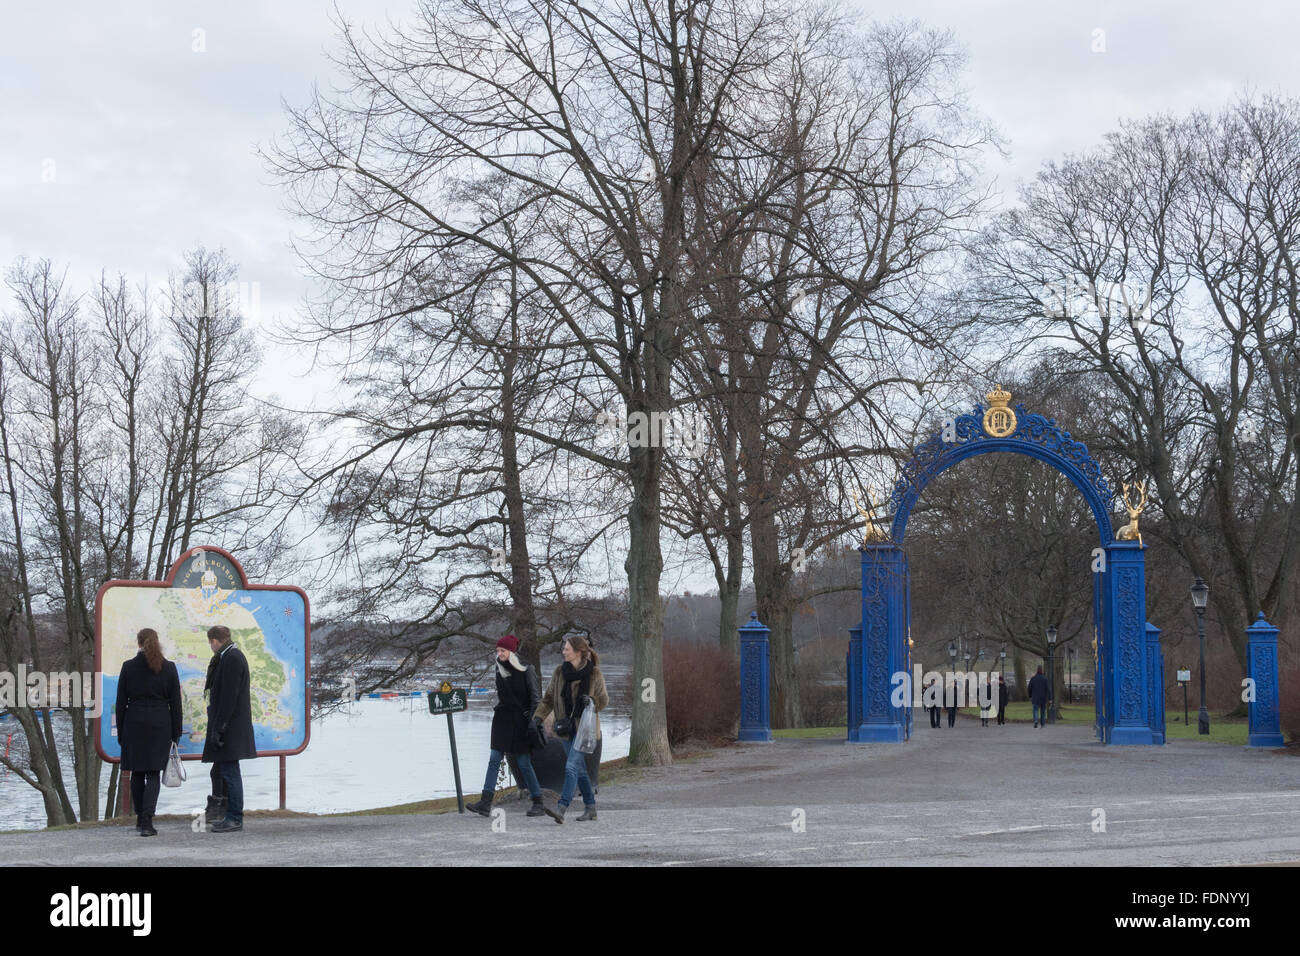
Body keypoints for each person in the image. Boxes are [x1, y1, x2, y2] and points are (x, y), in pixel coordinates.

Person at [466, 634, 554, 820]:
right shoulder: (499, 669)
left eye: (503, 650)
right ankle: (485, 802)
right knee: (494, 759)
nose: (499, 654)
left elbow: (535, 698)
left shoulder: (526, 669)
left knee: (523, 763)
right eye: (498, 651)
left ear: (511, 651)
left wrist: (533, 721)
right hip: (502, 720)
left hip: (522, 721)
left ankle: (538, 802)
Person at [115, 628, 182, 837]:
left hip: (134, 723)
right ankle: (147, 820)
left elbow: (120, 703)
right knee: (153, 773)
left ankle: (139, 817)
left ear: (139, 643)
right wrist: (176, 733)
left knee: (136, 771)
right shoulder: (169, 668)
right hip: (160, 724)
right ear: (156, 642)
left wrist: (121, 731)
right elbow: (176, 704)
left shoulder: (128, 667)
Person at [534, 634, 607, 823]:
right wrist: (538, 718)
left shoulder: (594, 674)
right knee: (580, 769)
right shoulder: (559, 672)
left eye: (566, 648)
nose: (563, 651)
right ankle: (590, 807)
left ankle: (561, 807)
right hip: (565, 729)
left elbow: (604, 699)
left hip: (585, 730)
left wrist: (592, 701)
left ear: (578, 652)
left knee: (571, 765)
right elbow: (549, 698)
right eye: (564, 648)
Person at [201, 625, 255, 832]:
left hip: (230, 727)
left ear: (215, 640)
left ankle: (234, 817)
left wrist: (220, 726)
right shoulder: (230, 656)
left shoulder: (232, 658)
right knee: (227, 770)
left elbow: (229, 696)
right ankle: (230, 816)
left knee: (231, 772)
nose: (211, 646)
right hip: (230, 725)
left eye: (210, 642)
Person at [203, 650, 227, 825]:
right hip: (218, 720)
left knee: (220, 770)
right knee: (220, 770)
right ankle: (221, 808)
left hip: (222, 725)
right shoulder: (221, 661)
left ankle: (219, 809)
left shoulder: (224, 662)